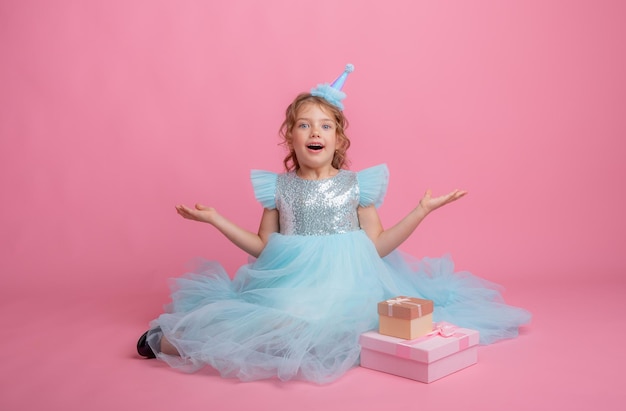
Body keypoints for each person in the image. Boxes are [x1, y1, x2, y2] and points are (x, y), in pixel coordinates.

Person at [136, 64, 531, 384]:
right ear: (289, 137)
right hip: (292, 283)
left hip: (349, 284)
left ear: (339, 140)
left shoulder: (356, 186)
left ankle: (270, 335)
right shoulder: (279, 188)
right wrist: (215, 219)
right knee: (269, 319)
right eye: (304, 125)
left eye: (325, 126)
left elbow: (376, 245)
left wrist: (420, 211)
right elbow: (264, 247)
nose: (315, 132)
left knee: (331, 326)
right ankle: (178, 342)